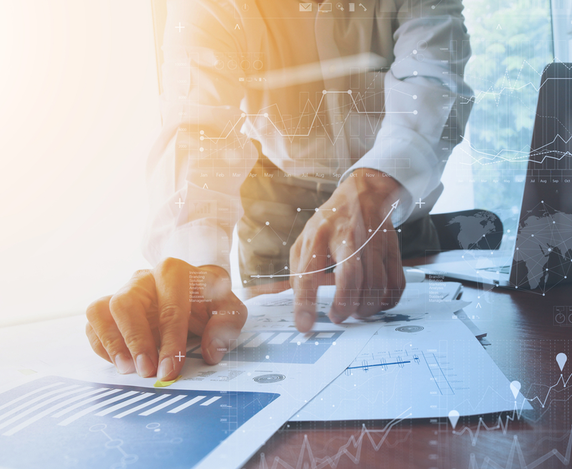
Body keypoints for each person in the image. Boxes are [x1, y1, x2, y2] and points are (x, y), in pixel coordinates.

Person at [85, 0, 473, 380]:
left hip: (390, 202)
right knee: (288, 363)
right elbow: (199, 127)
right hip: (276, 204)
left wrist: (373, 186)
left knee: (416, 362)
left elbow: (432, 79)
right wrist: (193, 260)